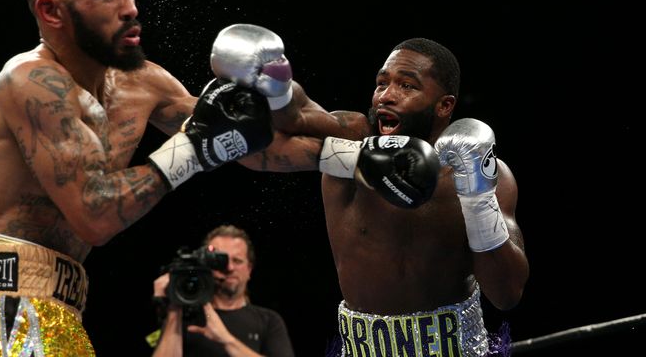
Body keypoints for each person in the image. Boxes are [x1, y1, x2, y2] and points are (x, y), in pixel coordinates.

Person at [0, 0, 278, 356]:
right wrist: (193, 150)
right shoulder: (32, 83)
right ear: (51, 11)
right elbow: (96, 216)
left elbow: (244, 138)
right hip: (0, 304)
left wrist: (347, 148)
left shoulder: (143, 81)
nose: (130, 8)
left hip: (57, 305)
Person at [209, 25, 530, 357]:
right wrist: (272, 82)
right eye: (381, 83)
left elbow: (507, 294)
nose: (386, 95)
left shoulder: (488, 173)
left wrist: (477, 196)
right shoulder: (352, 143)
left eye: (406, 85)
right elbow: (294, 119)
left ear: (444, 106)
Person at [151, 224, 295, 357]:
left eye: (237, 261)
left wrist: (226, 339)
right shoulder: (184, 319)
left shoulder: (269, 320)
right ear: (206, 265)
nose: (229, 268)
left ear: (249, 269)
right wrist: (174, 307)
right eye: (221, 261)